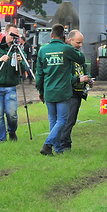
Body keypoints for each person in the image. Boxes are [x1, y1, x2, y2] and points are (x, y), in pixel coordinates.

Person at [36, 24, 86, 156]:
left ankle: (58, 150)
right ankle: (47, 144)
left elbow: (39, 73)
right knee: (62, 121)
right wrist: (70, 46)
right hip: (63, 91)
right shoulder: (66, 49)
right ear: (64, 36)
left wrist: (40, 91)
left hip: (49, 90)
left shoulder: (43, 50)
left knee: (53, 120)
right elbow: (81, 59)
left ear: (51, 35)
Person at [60, 30, 92, 152]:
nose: (80, 45)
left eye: (82, 43)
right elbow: (64, 76)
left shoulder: (78, 54)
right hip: (70, 91)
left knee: (72, 119)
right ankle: (65, 144)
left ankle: (64, 142)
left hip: (79, 91)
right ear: (70, 40)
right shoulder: (66, 54)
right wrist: (79, 79)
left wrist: (88, 79)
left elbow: (84, 68)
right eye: (78, 42)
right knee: (68, 119)